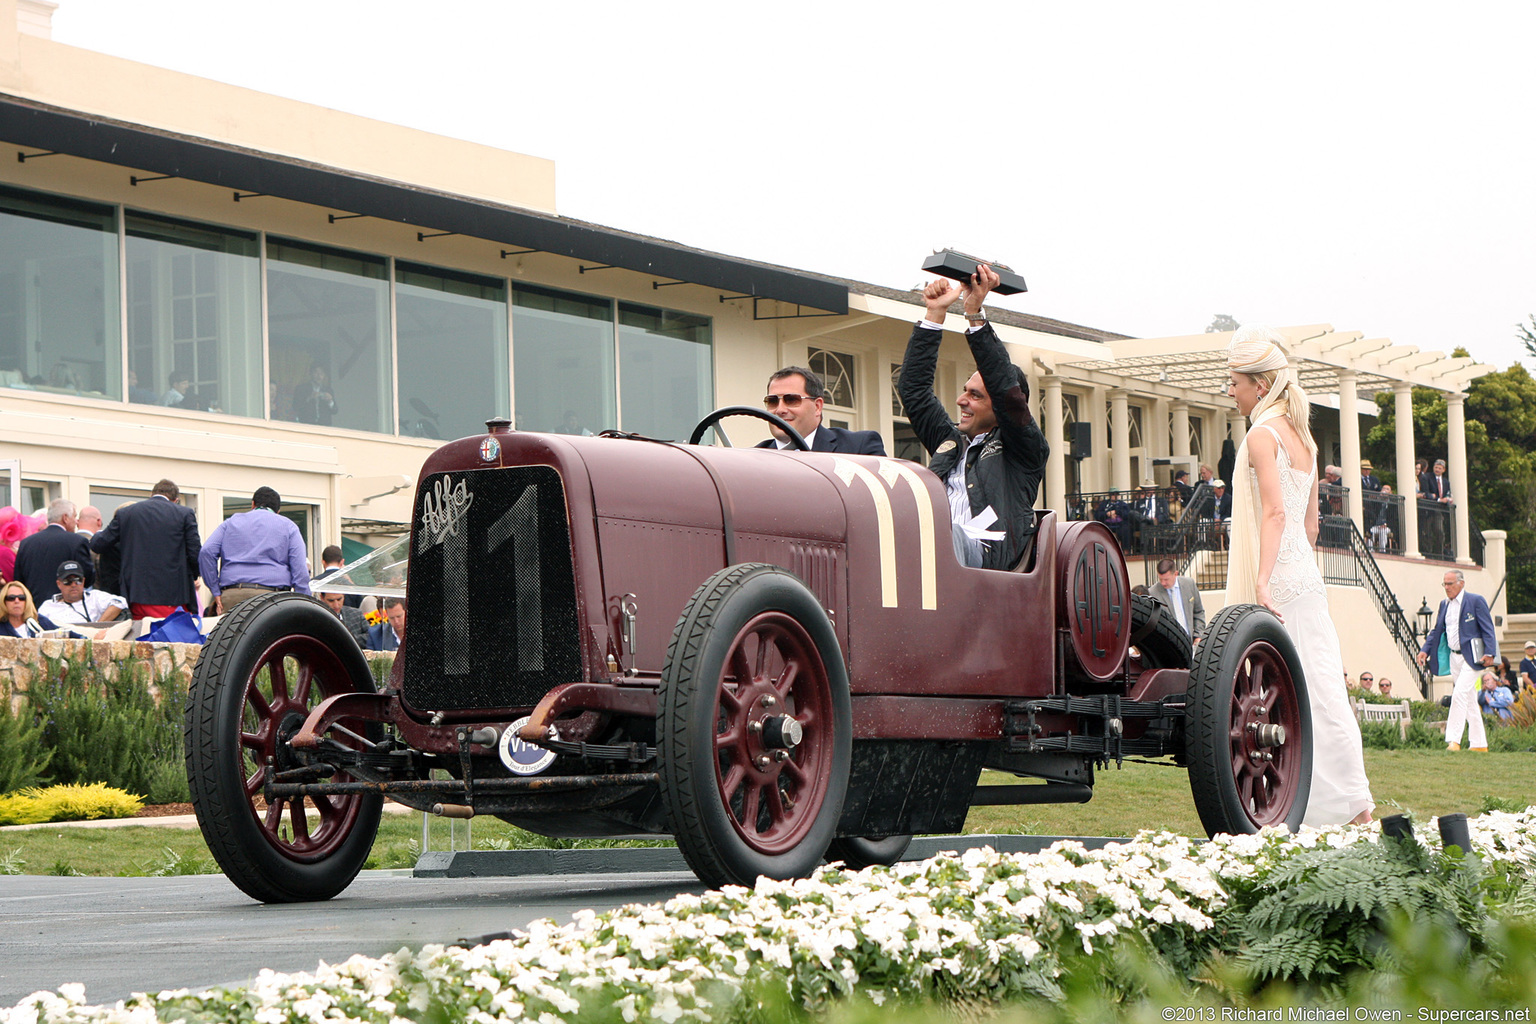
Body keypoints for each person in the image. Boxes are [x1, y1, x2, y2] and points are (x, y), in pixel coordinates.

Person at [1223, 325, 1373, 826]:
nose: (1230, 390)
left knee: (1286, 695)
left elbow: (1274, 514)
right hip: (1306, 577)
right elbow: (1311, 526)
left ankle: (1329, 803)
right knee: (1323, 688)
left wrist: (1263, 581)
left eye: (1236, 382)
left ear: (1260, 386)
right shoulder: (1303, 438)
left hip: (1282, 578)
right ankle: (1348, 802)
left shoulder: (1263, 434)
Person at [897, 265, 1049, 571]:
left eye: (976, 395)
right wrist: (935, 314)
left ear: (1003, 410)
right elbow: (913, 390)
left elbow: (1005, 389)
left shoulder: (1024, 448)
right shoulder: (949, 440)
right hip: (932, 552)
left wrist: (974, 313)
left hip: (985, 563)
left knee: (938, 535)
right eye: (965, 390)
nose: (961, 400)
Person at [90, 479, 202, 620]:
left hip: (135, 594)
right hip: (172, 596)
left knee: (140, 639)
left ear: (151, 494)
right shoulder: (184, 514)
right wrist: (195, 574)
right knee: (169, 638)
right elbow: (195, 553)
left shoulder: (127, 513)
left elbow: (98, 544)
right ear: (176, 500)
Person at [1417, 568, 1498, 752]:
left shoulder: (1475, 601)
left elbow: (1488, 629)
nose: (1447, 587)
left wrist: (1490, 653)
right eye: (1444, 584)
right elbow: (1437, 630)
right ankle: (1479, 744)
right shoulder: (1444, 605)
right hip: (1454, 657)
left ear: (1461, 583)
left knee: (1460, 694)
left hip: (1473, 658)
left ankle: (1453, 740)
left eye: (1450, 584)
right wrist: (1425, 650)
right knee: (1469, 700)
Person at [199, 486, 312, 614]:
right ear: (278, 510)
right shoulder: (289, 527)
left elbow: (206, 551)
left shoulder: (230, 523)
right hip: (272, 600)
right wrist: (303, 601)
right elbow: (300, 570)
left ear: (253, 504)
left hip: (233, 596)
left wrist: (215, 590)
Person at [755, 366, 885, 454]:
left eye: (791, 400)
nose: (780, 409)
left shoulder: (858, 447)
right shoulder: (752, 460)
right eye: (772, 401)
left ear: (817, 406)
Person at [13, 499, 94, 604]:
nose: (76, 522)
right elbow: (87, 579)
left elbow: (18, 581)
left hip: (33, 609)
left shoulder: (26, 543)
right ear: (65, 518)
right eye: (74, 516)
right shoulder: (77, 542)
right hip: (65, 609)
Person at [38, 560, 127, 626]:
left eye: (78, 580)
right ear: (59, 584)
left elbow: (120, 602)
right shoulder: (47, 607)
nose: (73, 585)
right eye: (68, 581)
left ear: (83, 581)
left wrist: (98, 626)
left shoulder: (95, 597)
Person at [1148, 557, 1205, 640]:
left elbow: (1199, 611)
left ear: (1175, 574)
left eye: (1166, 579)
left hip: (1192, 640)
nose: (1163, 583)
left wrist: (1198, 635)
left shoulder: (1189, 584)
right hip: (1170, 643)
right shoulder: (1153, 592)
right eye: (1160, 579)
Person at [1419, 458, 1452, 559]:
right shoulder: (1427, 477)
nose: (1437, 469)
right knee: (1427, 532)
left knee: (1439, 532)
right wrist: (1438, 499)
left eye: (1439, 468)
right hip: (1428, 509)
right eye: (1436, 467)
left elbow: (1447, 492)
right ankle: (1428, 554)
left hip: (1439, 510)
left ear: (1443, 470)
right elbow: (1426, 493)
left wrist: (1447, 498)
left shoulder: (1446, 482)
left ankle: (1439, 554)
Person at [312, 544, 362, 608]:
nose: (336, 606)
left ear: (323, 562)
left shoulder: (313, 584)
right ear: (342, 562)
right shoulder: (351, 587)